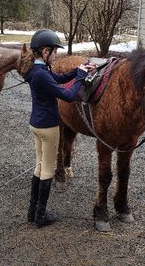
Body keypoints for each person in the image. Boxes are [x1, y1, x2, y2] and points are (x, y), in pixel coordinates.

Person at [23, 29, 96, 228]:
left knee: (39, 167)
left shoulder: (37, 71)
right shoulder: (42, 75)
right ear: (45, 51)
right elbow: (69, 95)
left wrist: (78, 70)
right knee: (47, 170)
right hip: (48, 127)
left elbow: (60, 80)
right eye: (55, 52)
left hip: (36, 125)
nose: (57, 56)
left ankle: (32, 211)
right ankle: (40, 215)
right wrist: (80, 79)